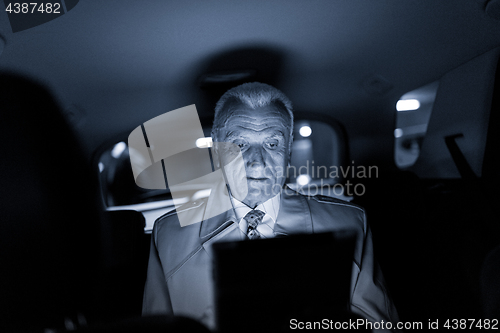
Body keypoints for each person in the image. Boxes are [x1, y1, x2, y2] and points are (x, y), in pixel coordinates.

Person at [142, 82, 398, 330]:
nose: (257, 164)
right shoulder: (169, 235)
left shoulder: (348, 223)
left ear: (288, 147)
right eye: (240, 144)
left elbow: (380, 328)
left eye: (272, 143)